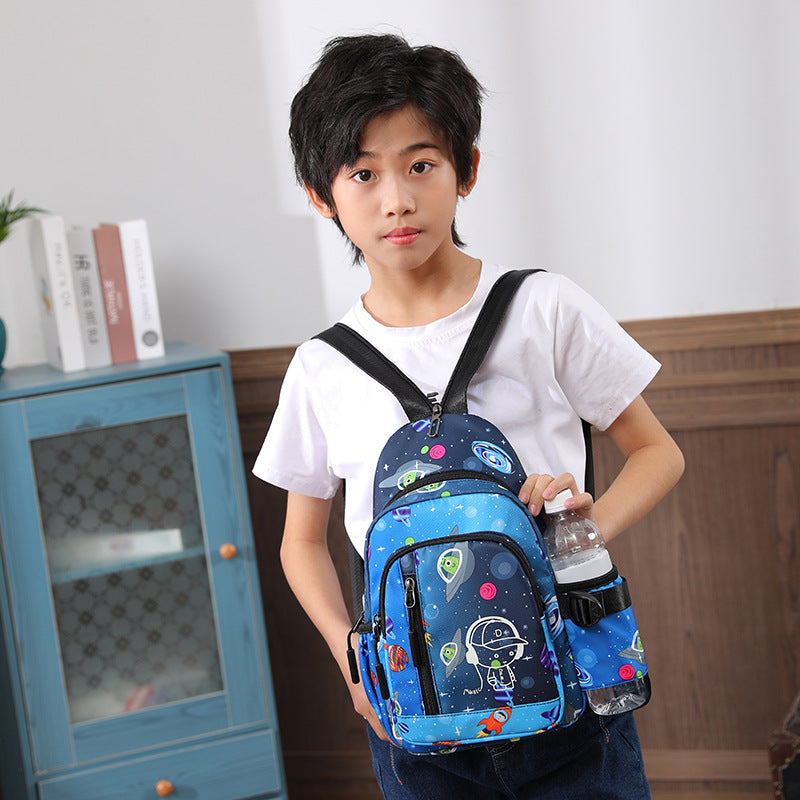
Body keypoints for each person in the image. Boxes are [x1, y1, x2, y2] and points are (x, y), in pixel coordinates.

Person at [254, 32, 684, 800]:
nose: (396, 199)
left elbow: (658, 452)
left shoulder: (542, 308)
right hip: (415, 711)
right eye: (363, 173)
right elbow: (301, 542)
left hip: (571, 688)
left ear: (467, 170)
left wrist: (584, 529)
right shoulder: (322, 368)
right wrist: (352, 660)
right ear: (322, 196)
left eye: (421, 164)